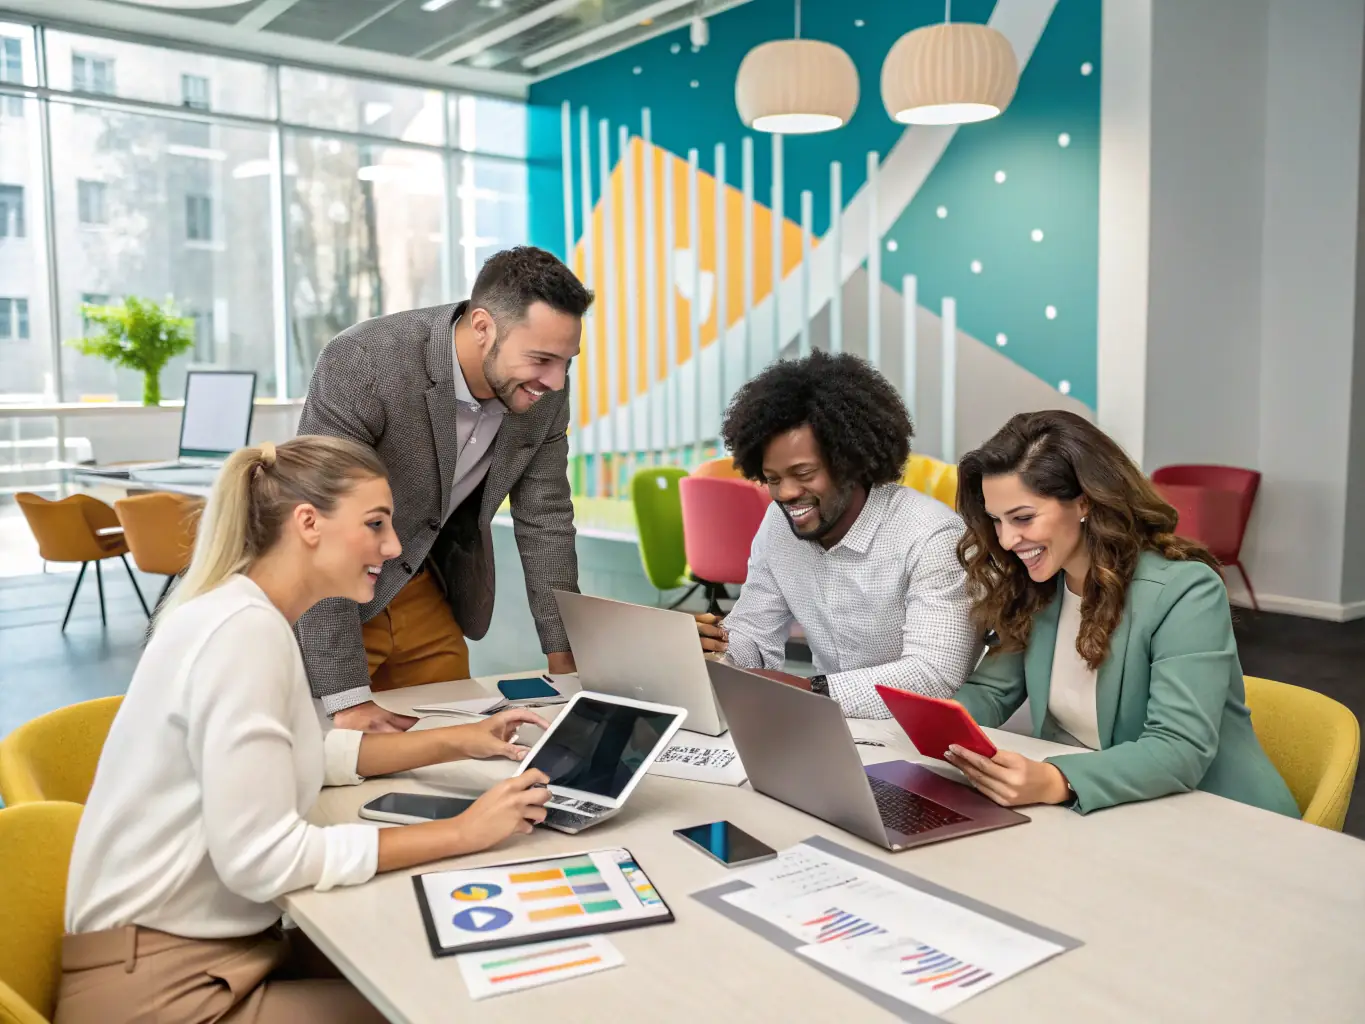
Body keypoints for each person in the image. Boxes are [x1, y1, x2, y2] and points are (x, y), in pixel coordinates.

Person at [58, 437, 553, 1024]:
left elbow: (312, 754)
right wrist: (463, 832)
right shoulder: (243, 634)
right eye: (375, 524)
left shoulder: (244, 614)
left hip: (208, 953)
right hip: (163, 989)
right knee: (444, 1004)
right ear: (308, 523)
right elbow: (263, 860)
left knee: (418, 958)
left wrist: (460, 739)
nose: (394, 548)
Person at [296, 246, 593, 733]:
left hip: (420, 582)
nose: (556, 382)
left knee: (455, 742)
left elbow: (546, 520)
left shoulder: (540, 388)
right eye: (541, 359)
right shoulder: (365, 362)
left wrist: (568, 664)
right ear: (483, 327)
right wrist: (347, 697)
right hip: (332, 587)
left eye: (567, 361)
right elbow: (325, 523)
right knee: (328, 746)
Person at [944, 410, 1299, 817]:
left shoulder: (1185, 591)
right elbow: (991, 692)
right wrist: (940, 730)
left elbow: (1178, 748)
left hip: (1220, 817)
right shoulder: (1039, 587)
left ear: (1084, 502)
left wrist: (1056, 780)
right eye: (996, 521)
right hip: (1115, 811)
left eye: (1023, 518)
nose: (1006, 540)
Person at [694, 351, 979, 718]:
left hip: (927, 735)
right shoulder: (778, 525)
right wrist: (718, 650)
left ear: (850, 461)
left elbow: (933, 675)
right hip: (833, 726)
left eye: (804, 473)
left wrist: (811, 691)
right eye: (774, 479)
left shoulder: (932, 536)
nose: (785, 494)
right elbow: (754, 632)